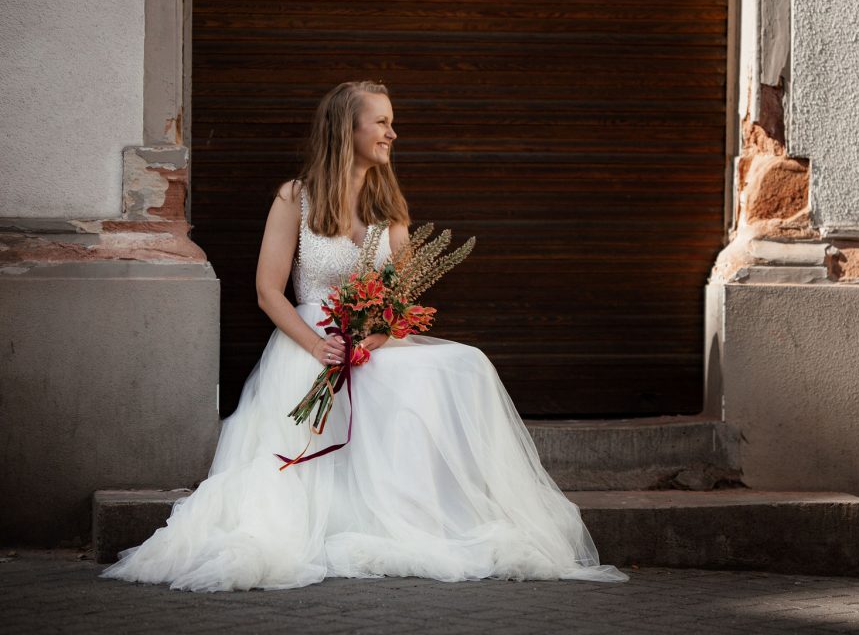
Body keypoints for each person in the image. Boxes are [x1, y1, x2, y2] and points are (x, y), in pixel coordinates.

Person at [100, 80, 628, 591]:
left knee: (465, 363)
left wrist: (375, 336)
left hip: (372, 342)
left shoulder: (387, 206)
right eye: (382, 122)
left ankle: (425, 509)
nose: (392, 133)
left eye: (391, 123)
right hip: (309, 339)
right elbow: (267, 291)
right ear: (345, 130)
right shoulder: (296, 198)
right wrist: (317, 344)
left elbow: (401, 296)